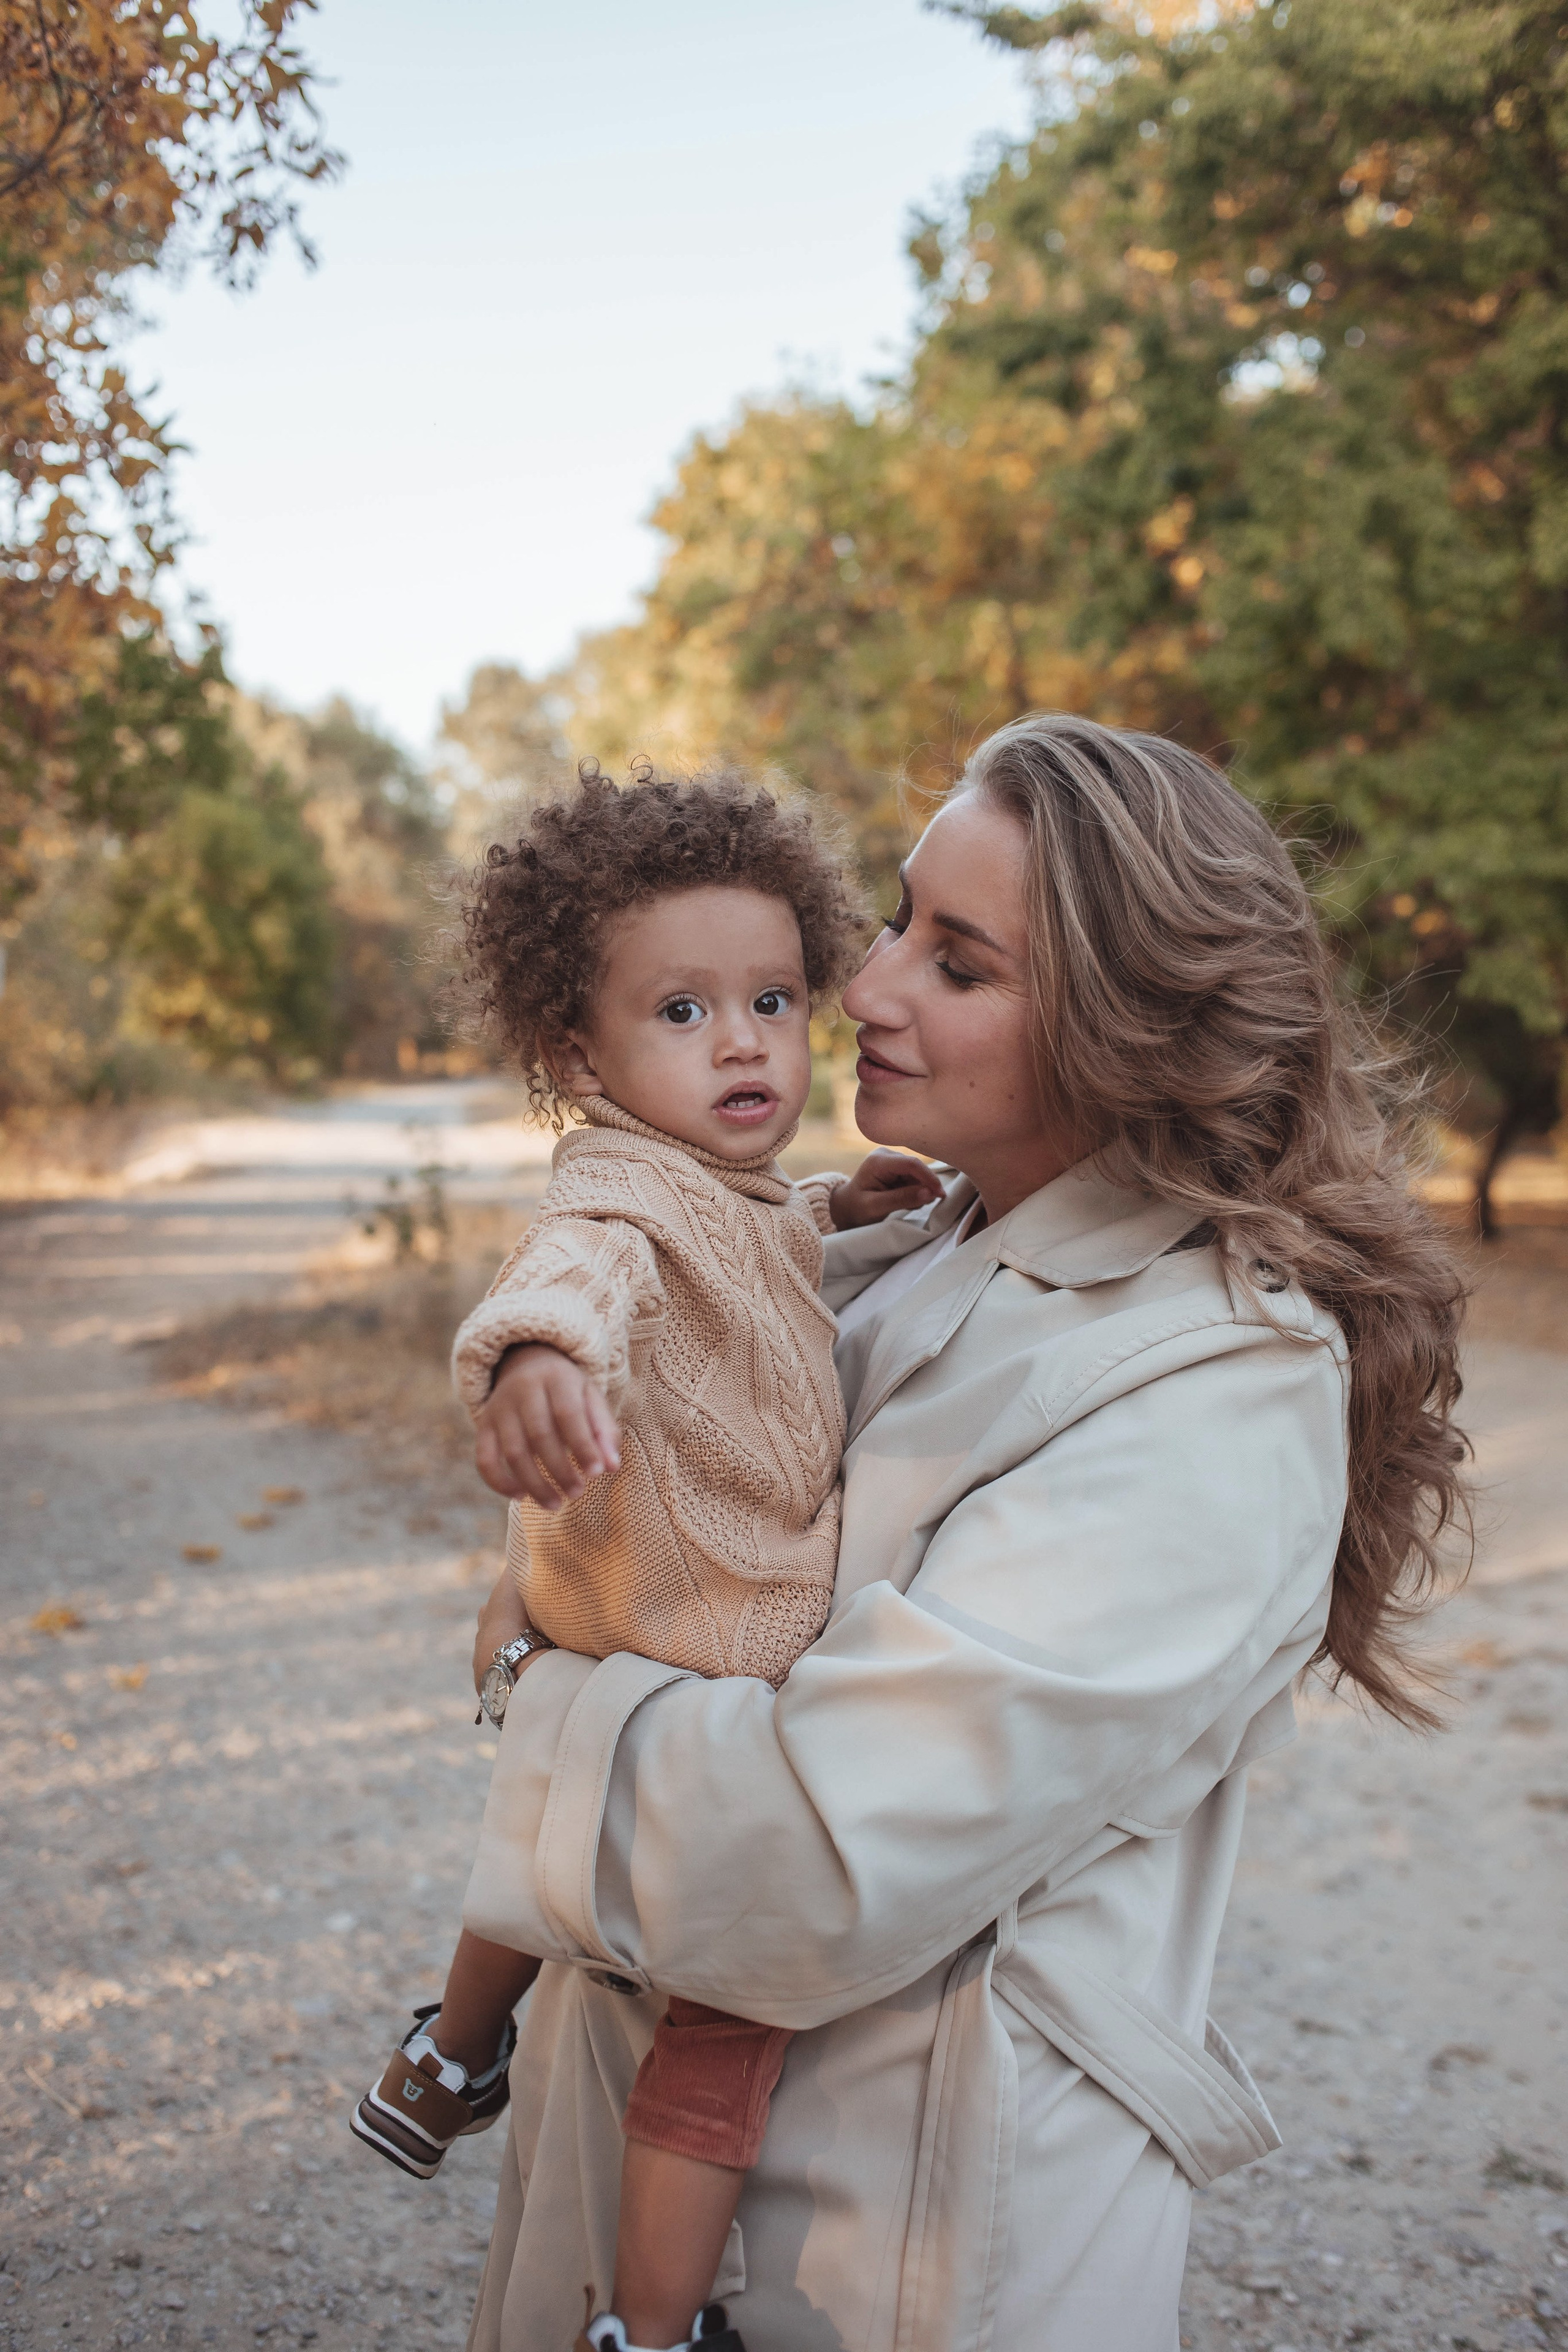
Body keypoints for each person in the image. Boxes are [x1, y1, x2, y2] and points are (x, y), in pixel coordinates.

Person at [456, 713, 1468, 2352]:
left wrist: (543, 1692)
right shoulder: (897, 1241)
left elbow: (815, 1856)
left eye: (961, 962)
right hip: (657, 2126)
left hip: (896, 2241)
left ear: (1131, 1031)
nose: (865, 989)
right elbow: (689, 1538)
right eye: (902, 919)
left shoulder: (1216, 1388)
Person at [352, 765, 941, 2352]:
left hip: (639, 1629)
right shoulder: (614, 1190)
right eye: (681, 1013)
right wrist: (537, 1362)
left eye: (772, 999)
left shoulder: (727, 1185)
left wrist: (838, 1205)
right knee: (723, 2031)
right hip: (702, 1651)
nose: (743, 1041)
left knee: (538, 1841)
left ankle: (448, 2060)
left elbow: (750, 1236)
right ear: (579, 1054)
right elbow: (580, 1275)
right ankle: (655, 2328)